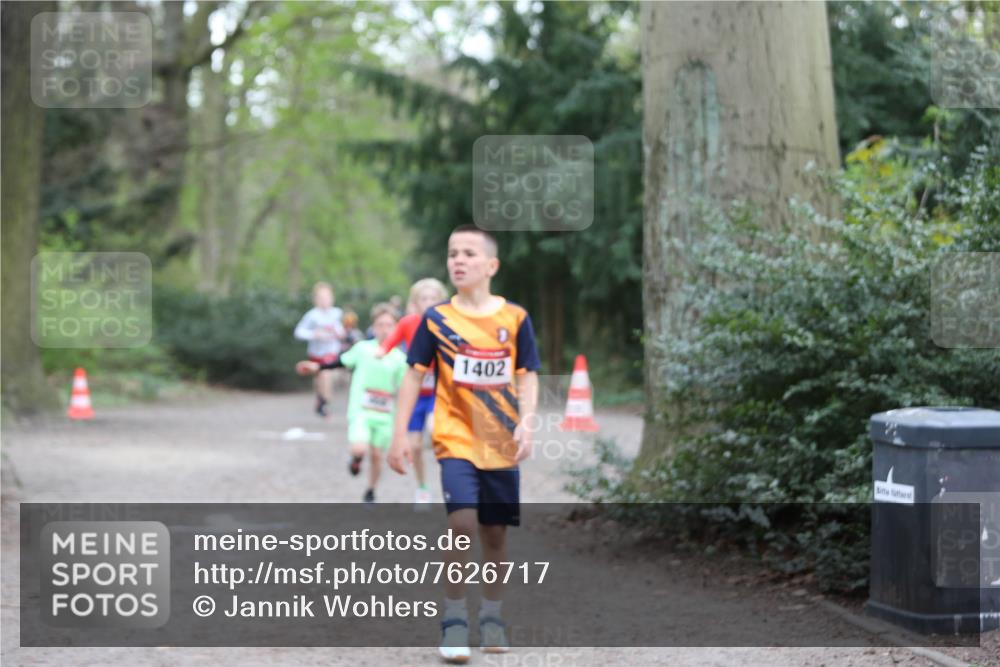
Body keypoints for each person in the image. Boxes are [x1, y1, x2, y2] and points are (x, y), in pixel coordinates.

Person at [387, 225, 540, 662]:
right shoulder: (437, 319)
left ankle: (492, 616)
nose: (458, 260)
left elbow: (528, 374)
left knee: (495, 533)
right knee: (462, 524)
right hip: (454, 438)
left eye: (469, 253)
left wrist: (527, 423)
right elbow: (413, 375)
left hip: (500, 442)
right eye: (453, 253)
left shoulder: (515, 318)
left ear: (491, 265)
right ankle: (454, 620)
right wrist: (400, 434)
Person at [297, 303, 408, 503]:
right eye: (380, 324)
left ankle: (371, 490)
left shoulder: (400, 358)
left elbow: (407, 389)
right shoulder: (363, 349)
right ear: (373, 327)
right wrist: (317, 367)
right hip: (361, 410)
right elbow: (340, 361)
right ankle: (356, 459)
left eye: (389, 325)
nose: (385, 329)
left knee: (377, 455)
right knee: (359, 448)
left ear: (396, 328)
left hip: (385, 414)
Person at [375, 278, 449, 507]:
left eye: (433, 298)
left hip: (439, 391)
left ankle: (454, 478)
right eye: (423, 298)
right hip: (415, 394)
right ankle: (422, 487)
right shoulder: (408, 322)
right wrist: (382, 351)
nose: (428, 302)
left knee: (435, 430)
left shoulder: (449, 322)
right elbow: (391, 341)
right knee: (415, 446)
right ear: (415, 303)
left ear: (441, 300)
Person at [294, 282, 345, 418]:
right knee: (319, 379)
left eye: (327, 297)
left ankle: (325, 402)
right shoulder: (312, 315)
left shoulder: (337, 313)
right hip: (316, 354)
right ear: (315, 300)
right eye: (321, 298)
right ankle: (321, 399)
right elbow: (298, 332)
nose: (324, 301)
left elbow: (341, 330)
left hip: (331, 352)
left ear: (332, 298)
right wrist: (314, 334)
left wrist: (340, 333)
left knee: (326, 374)